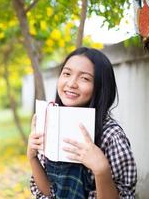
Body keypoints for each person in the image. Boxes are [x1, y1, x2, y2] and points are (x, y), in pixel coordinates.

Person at [27, 47, 137, 199]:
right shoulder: (50, 122)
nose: (71, 83)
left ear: (100, 86)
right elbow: (49, 192)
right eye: (66, 74)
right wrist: (32, 157)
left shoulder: (111, 136)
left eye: (84, 78)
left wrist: (101, 170)